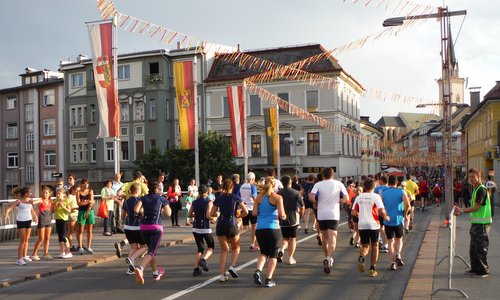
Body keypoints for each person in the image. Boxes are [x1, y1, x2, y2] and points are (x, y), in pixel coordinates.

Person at [308, 167, 348, 274]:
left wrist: (315, 202)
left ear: (323, 175)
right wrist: (339, 201)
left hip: (322, 214)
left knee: (325, 239)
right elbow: (346, 198)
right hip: (333, 214)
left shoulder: (318, 184)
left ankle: (326, 257)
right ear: (332, 174)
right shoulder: (339, 184)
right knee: (332, 238)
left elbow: (311, 196)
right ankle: (329, 258)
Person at [454, 168, 491, 278]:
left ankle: (483, 270)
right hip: (476, 223)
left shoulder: (481, 189)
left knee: (480, 247)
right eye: (469, 177)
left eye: (473, 177)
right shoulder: (475, 189)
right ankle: (475, 268)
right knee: (474, 247)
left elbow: (476, 207)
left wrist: (462, 210)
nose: (471, 179)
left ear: (478, 177)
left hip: (482, 224)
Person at [133, 179, 172, 284]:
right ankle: (141, 268)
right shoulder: (161, 198)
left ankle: (155, 272)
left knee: (151, 250)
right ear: (158, 188)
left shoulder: (143, 198)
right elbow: (169, 213)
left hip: (144, 227)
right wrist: (162, 209)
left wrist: (142, 214)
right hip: (156, 227)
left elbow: (136, 210)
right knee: (151, 251)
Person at [210, 179, 248, 282]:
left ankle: (222, 275)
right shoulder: (235, 197)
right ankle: (232, 266)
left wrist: (218, 214)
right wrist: (239, 216)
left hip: (221, 223)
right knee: (236, 247)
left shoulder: (219, 198)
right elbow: (246, 211)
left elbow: (212, 213)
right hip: (232, 223)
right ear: (232, 187)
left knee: (224, 250)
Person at [253, 177, 286, 287]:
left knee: (263, 252)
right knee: (273, 254)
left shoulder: (258, 198)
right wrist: (285, 217)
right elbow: (281, 214)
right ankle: (268, 279)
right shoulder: (277, 197)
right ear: (274, 185)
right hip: (273, 228)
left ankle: (258, 270)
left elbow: (254, 213)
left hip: (260, 228)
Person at [352, 178, 390, 277]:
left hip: (362, 225)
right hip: (373, 224)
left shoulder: (359, 197)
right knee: (375, 246)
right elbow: (381, 211)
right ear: (374, 187)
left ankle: (362, 256)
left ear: (364, 187)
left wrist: (360, 216)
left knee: (364, 246)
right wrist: (386, 217)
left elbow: (353, 212)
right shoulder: (376, 196)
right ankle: (372, 269)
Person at [115, 171, 149, 258]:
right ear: (140, 177)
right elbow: (149, 196)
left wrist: (124, 195)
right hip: (139, 218)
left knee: (134, 246)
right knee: (144, 245)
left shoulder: (127, 184)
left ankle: (130, 265)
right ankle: (136, 259)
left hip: (128, 219)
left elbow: (118, 193)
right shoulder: (142, 185)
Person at [381, 175, 410, 271]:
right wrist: (405, 215)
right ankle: (398, 254)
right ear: (397, 182)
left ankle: (392, 263)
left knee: (390, 242)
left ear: (388, 183)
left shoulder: (382, 192)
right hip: (398, 219)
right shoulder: (401, 191)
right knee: (399, 239)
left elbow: (380, 208)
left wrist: (384, 216)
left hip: (387, 221)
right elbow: (408, 205)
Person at [4, 187, 38, 265]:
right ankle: (19, 259)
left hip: (28, 221)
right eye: (30, 192)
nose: (31, 194)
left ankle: (24, 256)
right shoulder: (18, 201)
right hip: (21, 221)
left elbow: (32, 211)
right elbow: (9, 209)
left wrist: (35, 217)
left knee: (27, 239)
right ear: (25, 193)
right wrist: (6, 215)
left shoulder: (29, 202)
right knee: (22, 241)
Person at [189, 185, 216, 276]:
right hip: (205, 228)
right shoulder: (208, 202)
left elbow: (189, 214)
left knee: (200, 249)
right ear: (206, 192)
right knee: (211, 247)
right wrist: (214, 218)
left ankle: (196, 269)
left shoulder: (194, 202)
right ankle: (203, 260)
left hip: (196, 228)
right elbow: (208, 216)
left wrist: (196, 215)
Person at [277, 175, 304, 265]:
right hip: (293, 218)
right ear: (290, 183)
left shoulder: (278, 193)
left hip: (282, 218)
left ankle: (282, 249)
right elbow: (302, 206)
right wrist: (301, 215)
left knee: (285, 238)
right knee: (292, 239)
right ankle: (290, 258)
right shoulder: (296, 193)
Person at [121, 183, 147, 275]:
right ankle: (131, 259)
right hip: (137, 226)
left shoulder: (126, 201)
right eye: (140, 189)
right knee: (144, 246)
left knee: (133, 247)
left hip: (127, 226)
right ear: (137, 191)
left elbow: (122, 215)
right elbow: (141, 212)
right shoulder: (139, 200)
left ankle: (130, 269)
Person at [31, 186, 54, 260]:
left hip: (48, 220)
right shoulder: (41, 200)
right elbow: (34, 202)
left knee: (47, 238)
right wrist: (30, 200)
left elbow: (53, 210)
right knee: (41, 238)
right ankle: (34, 254)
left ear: (49, 194)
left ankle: (45, 253)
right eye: (43, 192)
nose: (44, 194)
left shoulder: (51, 201)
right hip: (42, 220)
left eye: (46, 192)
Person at [239, 172, 259, 251]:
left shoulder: (242, 186)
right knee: (254, 228)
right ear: (253, 179)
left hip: (244, 208)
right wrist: (258, 204)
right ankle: (252, 244)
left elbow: (239, 196)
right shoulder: (253, 186)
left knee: (245, 228)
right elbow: (254, 197)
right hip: (252, 208)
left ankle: (234, 235)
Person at [76, 179, 95, 255]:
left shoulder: (90, 191)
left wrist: (86, 205)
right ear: (82, 184)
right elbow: (79, 203)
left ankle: (88, 247)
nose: (86, 185)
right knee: (81, 230)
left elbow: (92, 202)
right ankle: (80, 247)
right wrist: (87, 201)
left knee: (89, 230)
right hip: (81, 212)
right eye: (84, 183)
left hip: (90, 211)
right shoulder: (78, 192)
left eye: (87, 183)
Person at [52, 188, 73, 258]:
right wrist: (55, 206)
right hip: (57, 219)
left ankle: (68, 252)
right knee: (60, 237)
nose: (57, 195)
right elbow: (52, 211)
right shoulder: (54, 201)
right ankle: (62, 252)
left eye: (59, 194)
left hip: (64, 219)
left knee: (64, 236)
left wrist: (63, 206)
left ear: (63, 194)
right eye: (56, 193)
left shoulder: (66, 200)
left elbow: (69, 211)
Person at [67, 185, 80, 252]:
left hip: (78, 214)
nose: (78, 191)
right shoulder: (69, 197)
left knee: (79, 231)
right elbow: (68, 208)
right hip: (72, 215)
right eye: (76, 190)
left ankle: (79, 244)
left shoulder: (77, 196)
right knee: (70, 231)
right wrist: (76, 208)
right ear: (72, 190)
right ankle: (70, 245)